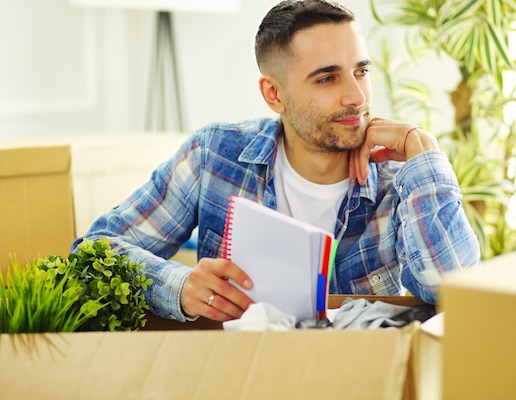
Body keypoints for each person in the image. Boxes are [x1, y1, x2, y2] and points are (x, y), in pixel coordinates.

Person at [74, 0, 480, 323]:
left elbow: (456, 295)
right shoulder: (215, 155)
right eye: (327, 78)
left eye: (361, 71)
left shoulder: (401, 179)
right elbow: (93, 252)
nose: (356, 97)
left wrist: (423, 151)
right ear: (274, 95)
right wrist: (179, 285)